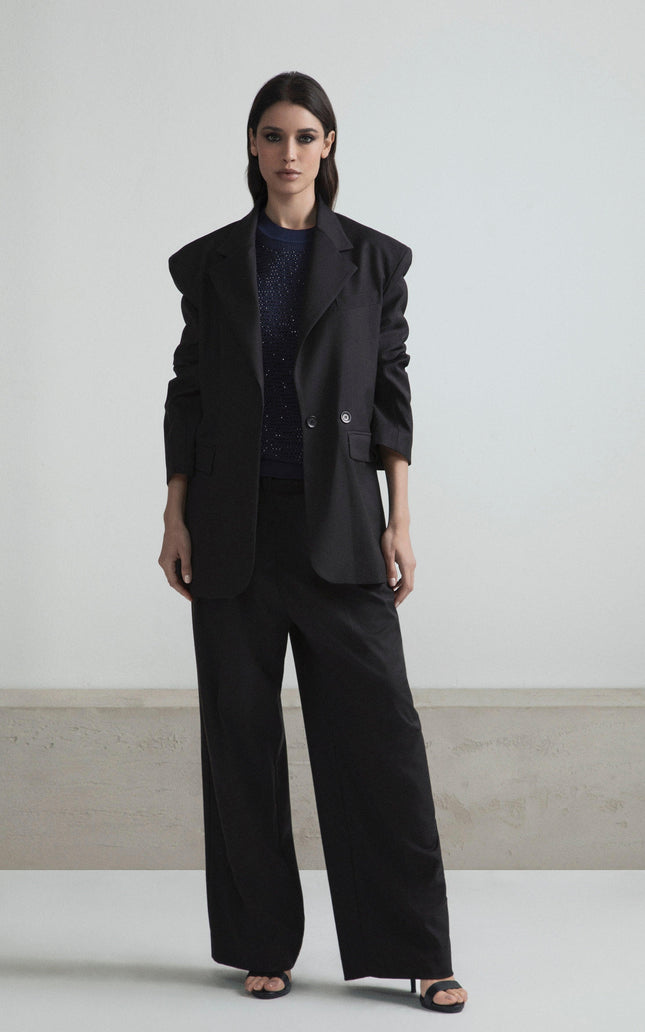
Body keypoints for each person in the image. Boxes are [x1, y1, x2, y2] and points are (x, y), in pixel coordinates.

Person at [158, 70, 468, 1014]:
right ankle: (261, 941)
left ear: (328, 147)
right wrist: (174, 514)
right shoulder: (208, 264)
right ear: (250, 149)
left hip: (340, 528)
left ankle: (417, 947)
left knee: (380, 740)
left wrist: (399, 519)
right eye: (270, 136)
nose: (287, 153)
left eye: (304, 136)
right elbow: (190, 392)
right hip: (231, 529)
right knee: (240, 743)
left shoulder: (375, 260)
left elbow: (388, 394)